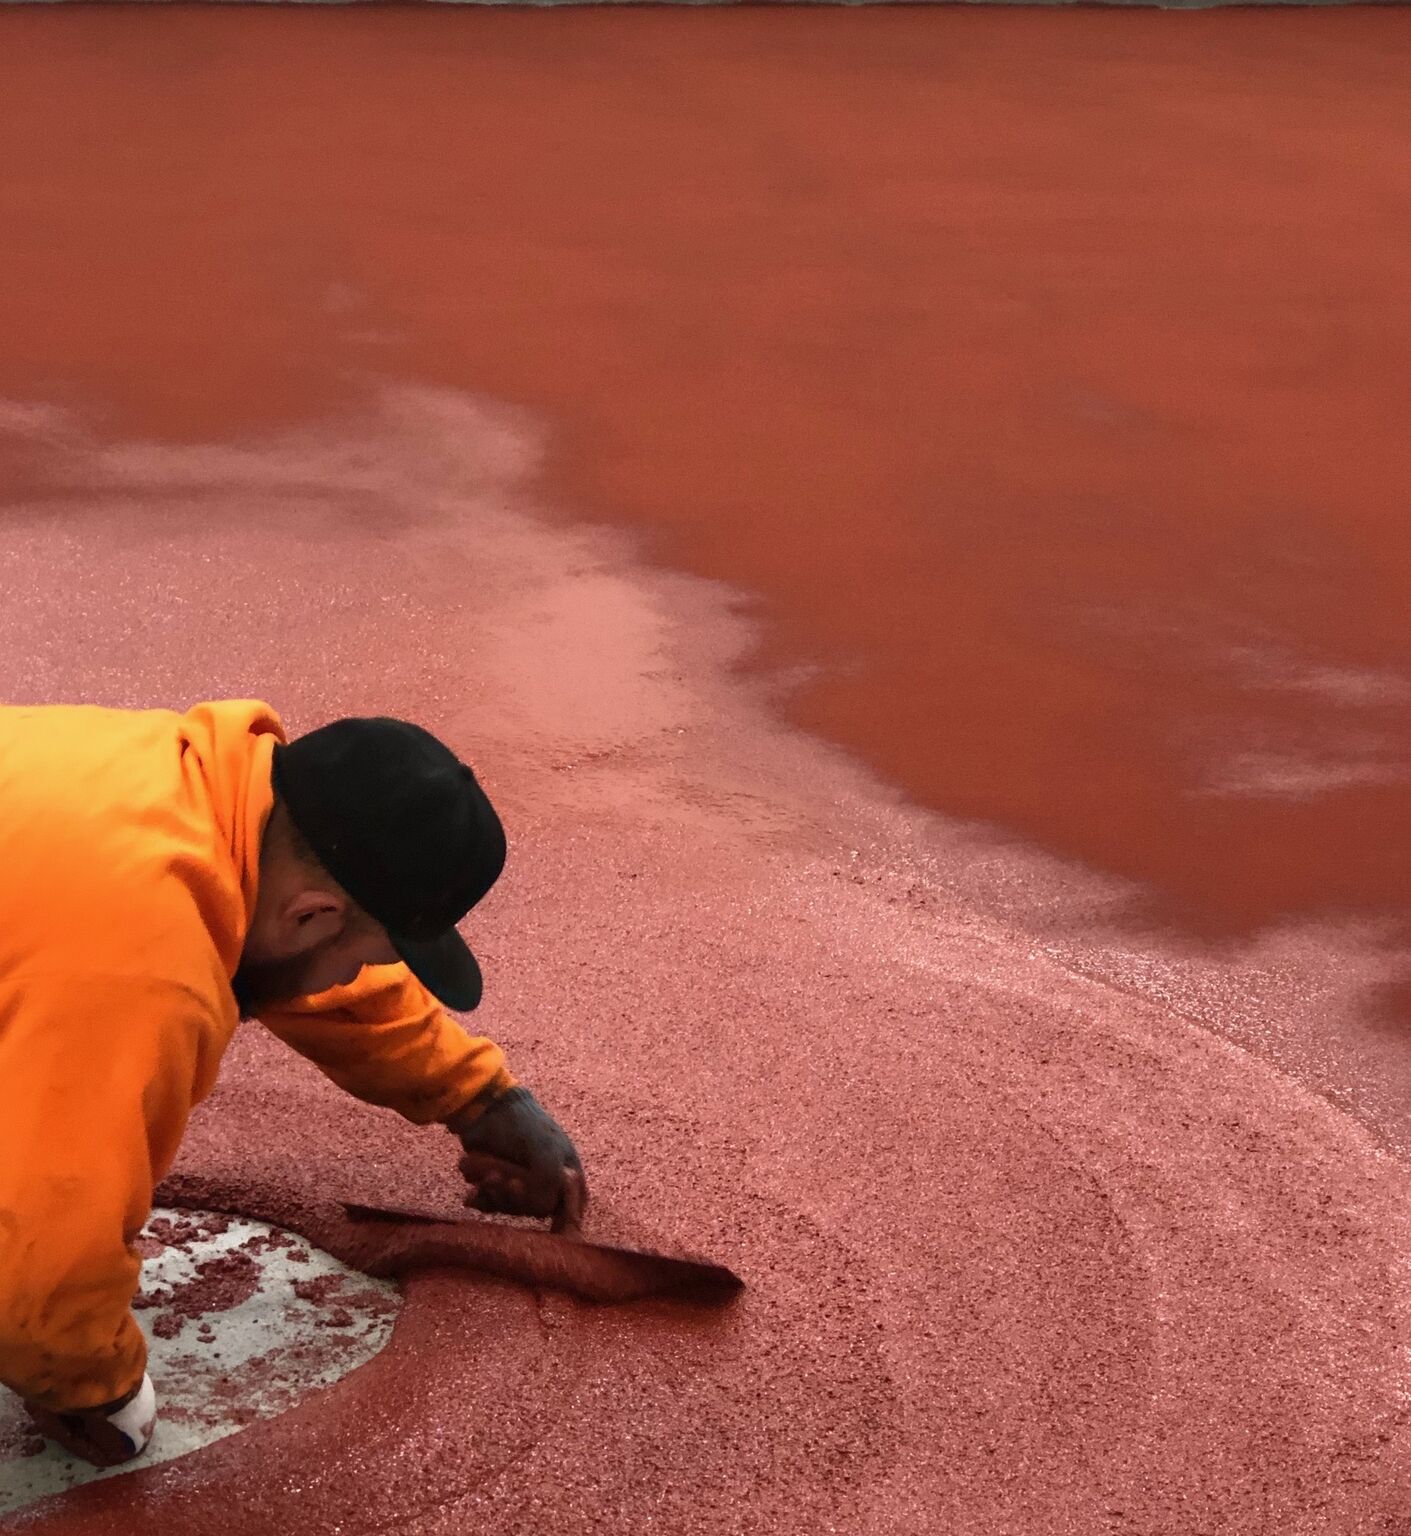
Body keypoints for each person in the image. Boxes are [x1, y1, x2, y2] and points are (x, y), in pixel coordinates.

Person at [0, 700, 583, 1466]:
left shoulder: (190, 787)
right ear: (313, 916)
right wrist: (94, 1391)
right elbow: (37, 1270)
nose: (357, 976)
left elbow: (300, 968)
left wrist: (475, 1094)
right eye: (370, 956)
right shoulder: (146, 966)